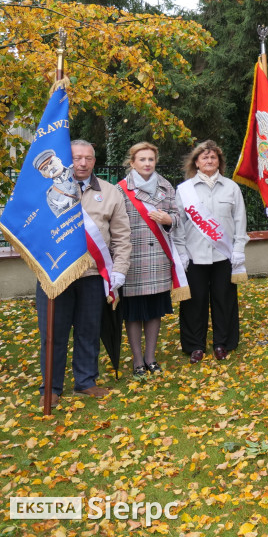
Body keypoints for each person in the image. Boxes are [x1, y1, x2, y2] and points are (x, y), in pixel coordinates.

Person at [36, 140, 131, 407]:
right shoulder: (48, 189)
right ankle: (51, 387)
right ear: (69, 159)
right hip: (56, 275)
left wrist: (119, 271)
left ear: (94, 160)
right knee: (53, 333)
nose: (82, 163)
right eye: (77, 158)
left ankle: (86, 381)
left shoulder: (111, 192)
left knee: (88, 330)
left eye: (88, 158)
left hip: (92, 276)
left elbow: (122, 236)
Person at [174, 140, 248, 364]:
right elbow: (178, 224)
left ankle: (222, 343)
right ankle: (195, 346)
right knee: (193, 303)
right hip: (194, 255)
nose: (209, 160)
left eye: (213, 157)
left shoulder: (231, 187)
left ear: (219, 162)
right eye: (204, 157)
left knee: (224, 300)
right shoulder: (184, 190)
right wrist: (181, 252)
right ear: (196, 162)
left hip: (224, 255)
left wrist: (238, 249)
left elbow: (240, 220)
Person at [118, 142, 182, 379]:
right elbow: (115, 225)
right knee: (133, 313)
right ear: (132, 162)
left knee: (155, 311)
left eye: (151, 159)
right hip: (133, 260)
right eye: (142, 159)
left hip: (158, 259)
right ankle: (137, 361)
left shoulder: (166, 186)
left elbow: (177, 216)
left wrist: (168, 219)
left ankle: (151, 358)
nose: (147, 163)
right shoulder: (121, 189)